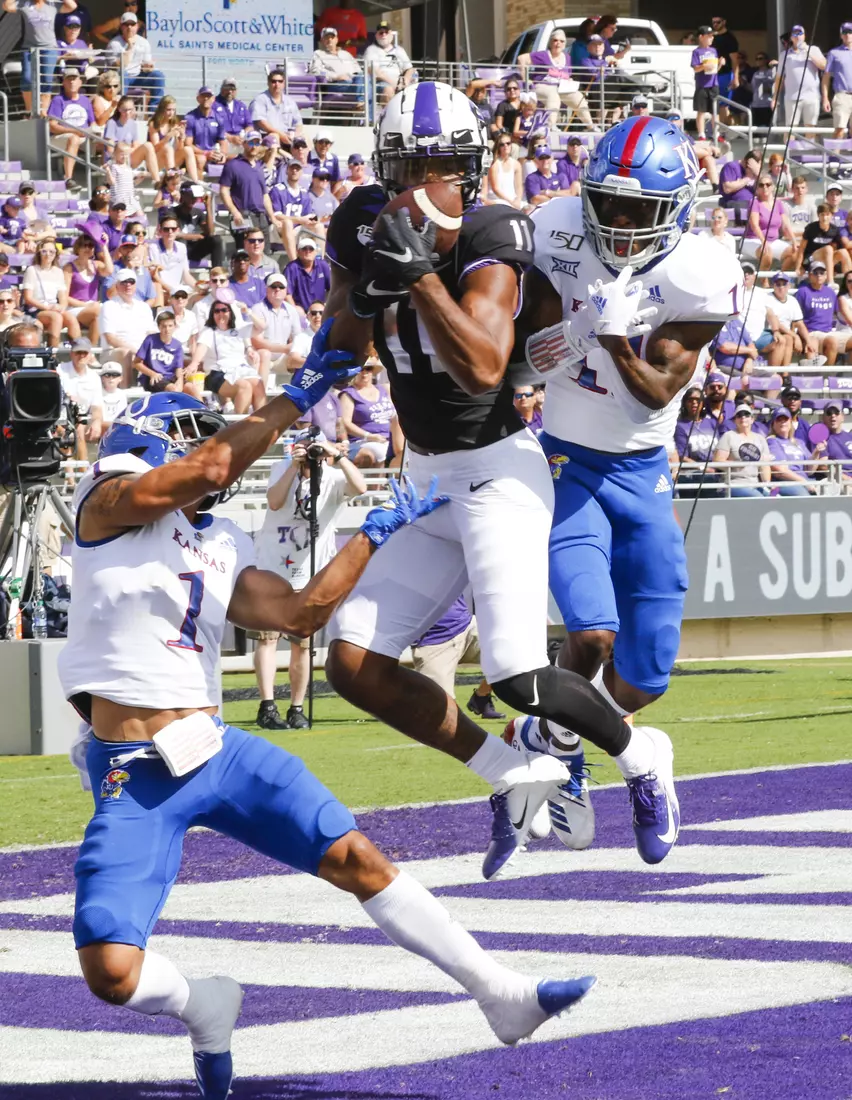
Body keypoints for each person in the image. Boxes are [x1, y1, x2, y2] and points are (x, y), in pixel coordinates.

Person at [58, 335, 595, 1096]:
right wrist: (303, 389)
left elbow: (301, 612)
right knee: (112, 973)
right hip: (135, 772)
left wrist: (371, 537)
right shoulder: (105, 505)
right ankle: (204, 1003)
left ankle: (499, 993)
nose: (209, 455)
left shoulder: (215, 540)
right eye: (189, 439)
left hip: (216, 748)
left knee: (360, 860)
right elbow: (212, 466)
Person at [323, 82, 676, 878]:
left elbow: (485, 369)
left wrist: (416, 277)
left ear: (473, 166)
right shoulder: (361, 218)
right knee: (352, 662)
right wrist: (365, 288)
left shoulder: (491, 230)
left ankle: (641, 752)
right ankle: (513, 772)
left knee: (516, 676)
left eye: (445, 163)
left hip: (498, 472)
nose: (428, 181)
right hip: (424, 476)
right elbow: (344, 341)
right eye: (412, 164)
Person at [515, 114, 744, 852]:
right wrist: (564, 338)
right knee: (588, 631)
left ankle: (559, 731)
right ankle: (582, 750)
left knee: (644, 677)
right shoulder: (555, 228)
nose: (617, 222)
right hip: (565, 459)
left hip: (642, 470)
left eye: (637, 209)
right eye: (607, 203)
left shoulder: (695, 272)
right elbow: (528, 351)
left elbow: (655, 390)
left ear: (674, 211)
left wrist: (613, 335)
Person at [252, 428, 366, 730]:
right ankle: (267, 705)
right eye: (306, 448)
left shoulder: (332, 474)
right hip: (271, 566)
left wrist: (337, 455)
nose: (311, 455)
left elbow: (361, 487)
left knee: (302, 643)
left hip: (310, 568)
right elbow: (275, 502)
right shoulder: (283, 468)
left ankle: (297, 707)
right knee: (268, 638)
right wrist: (293, 465)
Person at [410, 596, 506, 721]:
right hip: (432, 643)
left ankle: (481, 697)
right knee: (441, 717)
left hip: (466, 626)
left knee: (515, 653)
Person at [184, 299, 265, 414]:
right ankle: (239, 428)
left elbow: (262, 327)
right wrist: (194, 363)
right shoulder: (209, 331)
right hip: (216, 373)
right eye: (217, 311)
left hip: (240, 369)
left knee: (258, 384)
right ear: (213, 314)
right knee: (245, 386)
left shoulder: (239, 328)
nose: (220, 314)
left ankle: (261, 425)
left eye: (224, 310)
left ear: (230, 312)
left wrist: (248, 312)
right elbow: (202, 347)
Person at [518, 28, 594, 130]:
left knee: (579, 98)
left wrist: (569, 80)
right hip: (542, 85)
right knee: (553, 96)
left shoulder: (567, 57)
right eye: (555, 40)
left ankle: (590, 125)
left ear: (565, 44)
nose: (558, 43)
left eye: (562, 41)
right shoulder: (543, 55)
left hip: (562, 87)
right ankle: (551, 126)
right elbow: (521, 58)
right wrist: (525, 79)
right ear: (550, 42)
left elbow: (567, 74)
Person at [218, 131, 275, 247]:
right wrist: (235, 212)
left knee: (265, 254)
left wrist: (272, 217)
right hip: (243, 215)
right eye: (251, 143)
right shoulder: (232, 165)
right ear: (244, 144)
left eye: (257, 143)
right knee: (246, 255)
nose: (254, 146)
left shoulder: (259, 166)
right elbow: (224, 191)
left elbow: (264, 195)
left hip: (261, 217)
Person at [22, 238, 80, 347]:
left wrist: (61, 307)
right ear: (39, 253)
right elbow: (28, 298)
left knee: (71, 318)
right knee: (56, 317)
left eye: (51, 251)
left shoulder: (58, 272)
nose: (48, 254)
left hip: (53, 308)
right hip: (36, 310)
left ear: (55, 254)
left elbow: (63, 298)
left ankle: (79, 350)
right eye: (44, 251)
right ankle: (52, 355)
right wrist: (47, 307)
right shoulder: (32, 270)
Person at [100, 268, 154, 385]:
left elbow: (152, 334)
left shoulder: (144, 307)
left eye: (131, 282)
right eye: (123, 282)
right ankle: (127, 392)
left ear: (135, 285)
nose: (128, 285)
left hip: (140, 352)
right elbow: (111, 339)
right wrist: (138, 352)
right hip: (113, 352)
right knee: (126, 352)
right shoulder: (108, 306)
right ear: (117, 286)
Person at [339, 361, 398, 467]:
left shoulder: (385, 389)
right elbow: (345, 423)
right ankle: (377, 484)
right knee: (380, 452)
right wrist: (369, 436)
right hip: (362, 440)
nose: (364, 372)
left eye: (368, 369)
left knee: (405, 453)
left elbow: (396, 414)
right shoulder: (348, 394)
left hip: (392, 438)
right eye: (360, 369)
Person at [47, 67, 94, 191]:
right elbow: (53, 126)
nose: (72, 82)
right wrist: (75, 131)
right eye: (69, 79)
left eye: (74, 79)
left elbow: (92, 123)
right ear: (63, 83)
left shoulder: (85, 100)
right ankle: (68, 178)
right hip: (61, 137)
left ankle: (112, 179)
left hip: (84, 136)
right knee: (74, 138)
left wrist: (91, 132)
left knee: (109, 141)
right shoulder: (58, 100)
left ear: (80, 82)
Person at [250, 271, 302, 382]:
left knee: (302, 357)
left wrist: (293, 349)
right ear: (266, 289)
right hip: (261, 357)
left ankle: (301, 394)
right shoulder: (257, 309)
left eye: (281, 287)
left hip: (282, 359)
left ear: (286, 290)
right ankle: (260, 396)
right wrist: (284, 348)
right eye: (273, 286)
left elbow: (298, 337)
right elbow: (256, 342)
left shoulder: (291, 310)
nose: (277, 289)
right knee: (265, 354)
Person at [105, 11, 165, 105]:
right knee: (122, 73)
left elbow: (145, 67)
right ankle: (121, 107)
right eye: (126, 24)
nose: (129, 27)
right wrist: (130, 47)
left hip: (138, 76)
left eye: (132, 24)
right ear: (121, 27)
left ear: (137, 26)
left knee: (158, 75)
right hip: (120, 77)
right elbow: (118, 66)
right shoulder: (114, 44)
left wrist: (148, 67)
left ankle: (153, 112)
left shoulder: (144, 42)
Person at [59, 337, 103, 464]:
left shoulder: (94, 377)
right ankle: (76, 476)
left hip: (82, 418)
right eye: (78, 352)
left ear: (90, 355)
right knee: (75, 430)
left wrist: (96, 422)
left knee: (80, 428)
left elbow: (97, 407)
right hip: (61, 416)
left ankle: (79, 475)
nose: (82, 356)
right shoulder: (60, 370)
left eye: (85, 353)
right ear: (71, 354)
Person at [773, 24, 826, 131]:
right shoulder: (784, 55)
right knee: (790, 128)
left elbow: (824, 66)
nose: (797, 36)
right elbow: (779, 78)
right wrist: (775, 98)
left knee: (810, 127)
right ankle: (789, 148)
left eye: (800, 33)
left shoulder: (814, 49)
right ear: (791, 37)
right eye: (795, 34)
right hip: (791, 97)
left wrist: (808, 51)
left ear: (804, 36)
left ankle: (810, 147)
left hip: (812, 97)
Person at [64, 228, 111, 341]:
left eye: (90, 246)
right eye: (84, 245)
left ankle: (92, 350)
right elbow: (64, 297)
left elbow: (109, 270)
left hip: (93, 309)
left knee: (97, 318)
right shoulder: (69, 268)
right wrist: (85, 305)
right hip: (75, 308)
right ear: (78, 248)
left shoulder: (96, 264)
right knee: (100, 310)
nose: (87, 248)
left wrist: (104, 246)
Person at [712, 404, 771, 495]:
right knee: (757, 497)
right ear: (735, 420)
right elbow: (717, 461)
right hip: (734, 483)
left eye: (746, 415)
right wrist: (737, 464)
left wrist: (767, 484)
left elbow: (765, 466)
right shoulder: (728, 436)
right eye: (739, 415)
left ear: (752, 419)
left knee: (775, 497)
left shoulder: (760, 439)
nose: (743, 417)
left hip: (755, 483)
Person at [796, 261, 846, 365]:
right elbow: (795, 317)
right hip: (811, 332)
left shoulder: (830, 292)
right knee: (832, 341)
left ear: (826, 275)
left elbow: (839, 314)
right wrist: (796, 336)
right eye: (815, 273)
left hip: (828, 332)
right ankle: (827, 377)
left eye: (821, 272)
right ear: (810, 275)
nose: (819, 275)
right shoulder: (802, 292)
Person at [741, 176, 796, 270]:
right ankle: (764, 281)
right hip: (753, 240)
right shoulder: (754, 202)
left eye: (768, 184)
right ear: (757, 188)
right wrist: (764, 241)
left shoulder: (778, 203)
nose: (765, 187)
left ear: (773, 187)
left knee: (795, 253)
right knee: (766, 252)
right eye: (761, 185)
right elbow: (754, 225)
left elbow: (786, 224)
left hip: (773, 241)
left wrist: (794, 241)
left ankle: (779, 278)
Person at [766, 406, 821, 495]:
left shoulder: (799, 442)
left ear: (790, 422)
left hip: (806, 481)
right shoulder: (772, 441)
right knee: (803, 495)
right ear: (773, 424)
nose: (782, 422)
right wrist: (804, 482)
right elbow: (780, 471)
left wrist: (816, 452)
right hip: (786, 482)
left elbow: (810, 470)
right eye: (779, 419)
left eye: (785, 419)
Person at [103, 96, 159, 182]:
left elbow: (135, 145)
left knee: (148, 145)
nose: (128, 112)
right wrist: (127, 148)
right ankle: (152, 176)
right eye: (124, 110)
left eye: (130, 109)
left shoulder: (132, 123)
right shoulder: (112, 123)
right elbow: (110, 150)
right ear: (119, 109)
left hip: (128, 156)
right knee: (147, 145)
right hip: (116, 159)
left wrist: (126, 148)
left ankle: (156, 181)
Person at [271, 160, 318, 261]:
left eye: (297, 169)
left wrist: (316, 220)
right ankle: (293, 261)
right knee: (287, 223)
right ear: (287, 170)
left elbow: (309, 215)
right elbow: (276, 215)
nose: (295, 171)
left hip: (298, 229)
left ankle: (319, 260)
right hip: (278, 228)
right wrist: (300, 220)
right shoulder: (277, 190)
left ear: (301, 172)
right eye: (292, 168)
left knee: (319, 226)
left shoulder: (304, 192)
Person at [310, 27, 365, 110]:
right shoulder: (318, 54)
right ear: (322, 41)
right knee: (366, 89)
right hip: (336, 84)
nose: (329, 40)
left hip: (354, 82)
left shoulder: (346, 54)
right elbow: (315, 72)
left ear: (336, 39)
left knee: (365, 80)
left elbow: (358, 70)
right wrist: (336, 76)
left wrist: (353, 76)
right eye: (326, 38)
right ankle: (362, 107)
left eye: (332, 37)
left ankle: (360, 103)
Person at [172, 182, 225, 269]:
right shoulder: (172, 212)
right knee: (181, 241)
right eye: (191, 196)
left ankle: (217, 272)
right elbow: (175, 235)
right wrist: (198, 236)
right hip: (176, 249)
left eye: (195, 197)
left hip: (193, 250)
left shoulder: (198, 212)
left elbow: (211, 232)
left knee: (216, 239)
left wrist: (208, 206)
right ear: (183, 194)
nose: (194, 199)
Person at [133, 306, 184, 392]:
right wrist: (152, 374)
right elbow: (137, 363)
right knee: (173, 389)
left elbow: (178, 368)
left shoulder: (177, 345)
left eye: (170, 326)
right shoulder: (150, 340)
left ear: (175, 326)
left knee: (191, 387)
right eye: (164, 326)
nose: (167, 329)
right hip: (153, 378)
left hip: (171, 378)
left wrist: (180, 380)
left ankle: (204, 406)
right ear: (159, 327)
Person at [250, 69, 302, 150]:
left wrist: (295, 136)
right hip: (267, 136)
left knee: (305, 138)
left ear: (284, 83)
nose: (277, 84)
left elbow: (298, 123)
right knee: (274, 137)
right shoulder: (260, 100)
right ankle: (277, 161)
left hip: (287, 136)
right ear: (268, 83)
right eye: (273, 81)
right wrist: (281, 135)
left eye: (280, 81)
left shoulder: (290, 101)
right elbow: (262, 123)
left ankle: (305, 162)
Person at [799, 203, 851, 285]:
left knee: (843, 252)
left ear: (831, 216)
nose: (825, 218)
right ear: (818, 215)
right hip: (810, 259)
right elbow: (801, 248)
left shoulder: (834, 230)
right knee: (828, 248)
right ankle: (830, 282)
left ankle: (849, 282)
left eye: (827, 214)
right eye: (822, 215)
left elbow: (839, 249)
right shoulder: (810, 228)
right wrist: (798, 266)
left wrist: (835, 268)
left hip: (826, 260)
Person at [363, 20, 414, 104]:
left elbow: (409, 68)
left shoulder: (399, 50)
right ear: (376, 35)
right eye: (381, 33)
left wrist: (406, 80)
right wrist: (394, 84)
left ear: (391, 35)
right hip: (380, 84)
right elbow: (375, 72)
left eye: (386, 32)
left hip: (400, 83)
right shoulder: (371, 50)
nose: (384, 35)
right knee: (388, 90)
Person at [184, 86, 227, 179]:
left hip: (213, 154)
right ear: (198, 99)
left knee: (236, 158)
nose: (206, 98)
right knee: (201, 159)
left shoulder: (219, 118)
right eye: (203, 96)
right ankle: (200, 189)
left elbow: (223, 142)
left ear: (213, 99)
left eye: (209, 96)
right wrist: (206, 153)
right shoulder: (190, 118)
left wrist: (222, 154)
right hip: (198, 154)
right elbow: (188, 144)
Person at [148, 213, 194, 297]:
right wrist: (172, 291)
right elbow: (154, 277)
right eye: (166, 229)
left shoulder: (182, 247)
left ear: (178, 230)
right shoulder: (152, 248)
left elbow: (186, 275)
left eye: (173, 229)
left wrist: (198, 288)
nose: (170, 232)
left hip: (177, 292)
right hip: (160, 292)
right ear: (160, 231)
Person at [284, 237, 331, 312]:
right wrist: (295, 312)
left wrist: (327, 306)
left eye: (311, 249)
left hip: (319, 311)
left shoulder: (323, 265)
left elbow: (332, 288)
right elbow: (287, 294)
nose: (308, 251)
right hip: (300, 312)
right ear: (298, 251)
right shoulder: (292, 268)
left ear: (315, 252)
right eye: (304, 249)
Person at [692, 25, 722, 139]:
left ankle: (716, 133)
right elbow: (695, 68)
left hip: (713, 84)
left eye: (712, 37)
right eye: (709, 36)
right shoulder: (697, 52)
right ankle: (701, 133)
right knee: (701, 110)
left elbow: (715, 70)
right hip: (702, 85)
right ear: (701, 37)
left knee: (715, 111)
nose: (711, 38)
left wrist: (720, 64)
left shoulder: (714, 50)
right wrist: (704, 66)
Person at [147, 97, 189, 176]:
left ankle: (196, 180)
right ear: (162, 110)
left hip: (170, 160)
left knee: (188, 150)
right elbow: (155, 148)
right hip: (155, 162)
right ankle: (172, 176)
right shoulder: (154, 124)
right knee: (167, 148)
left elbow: (179, 149)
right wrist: (168, 136)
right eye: (168, 110)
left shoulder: (174, 124)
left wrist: (181, 138)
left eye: (173, 110)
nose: (171, 113)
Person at [823, 24, 852, 138]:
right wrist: (825, 98)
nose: (848, 35)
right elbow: (826, 77)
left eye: (850, 32)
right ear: (841, 35)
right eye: (845, 33)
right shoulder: (834, 53)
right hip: (842, 95)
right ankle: (834, 155)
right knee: (839, 129)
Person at [486, 134, 523, 208]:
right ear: (498, 147)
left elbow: (519, 187)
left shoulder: (516, 164)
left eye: (508, 143)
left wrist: (518, 200)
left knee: (530, 208)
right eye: (502, 144)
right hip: (497, 200)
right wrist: (511, 202)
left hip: (513, 200)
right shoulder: (494, 164)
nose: (505, 146)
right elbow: (495, 189)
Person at [214, 76, 252, 149]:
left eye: (232, 89)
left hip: (241, 140)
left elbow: (250, 125)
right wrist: (230, 138)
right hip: (222, 141)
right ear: (222, 89)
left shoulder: (241, 106)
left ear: (236, 90)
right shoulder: (214, 105)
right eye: (227, 88)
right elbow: (212, 127)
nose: (230, 91)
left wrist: (243, 135)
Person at [710, 14, 740, 107]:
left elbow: (735, 59)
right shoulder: (711, 38)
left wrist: (735, 77)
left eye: (718, 22)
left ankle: (724, 122)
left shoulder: (730, 38)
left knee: (724, 104)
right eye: (713, 22)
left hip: (725, 74)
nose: (715, 24)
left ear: (724, 22)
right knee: (713, 104)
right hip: (713, 73)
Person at [493, 77, 522, 144]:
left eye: (515, 88)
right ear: (505, 92)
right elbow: (499, 124)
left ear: (519, 90)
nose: (512, 90)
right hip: (509, 138)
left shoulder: (524, 104)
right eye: (509, 89)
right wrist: (510, 137)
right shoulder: (502, 105)